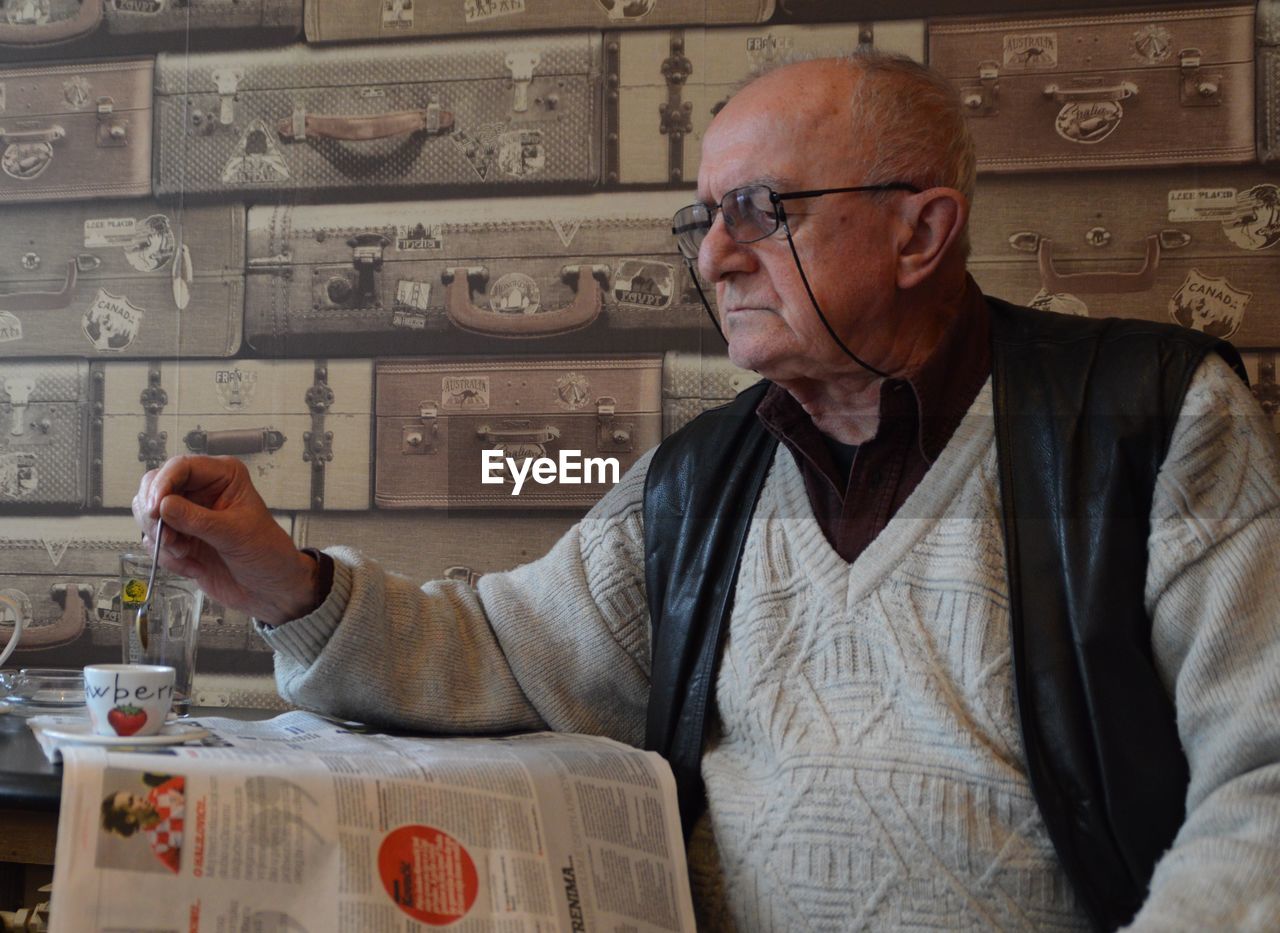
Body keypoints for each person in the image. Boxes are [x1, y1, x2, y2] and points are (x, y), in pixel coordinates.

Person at [132, 53, 1280, 930]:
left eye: (760, 214)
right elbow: (502, 650)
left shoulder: (1144, 416)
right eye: (703, 219)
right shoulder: (706, 475)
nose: (713, 259)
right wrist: (286, 582)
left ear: (919, 232)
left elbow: (1263, 776)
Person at [100, 773, 185, 874]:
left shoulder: (157, 793)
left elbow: (192, 780)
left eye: (133, 795)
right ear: (130, 819)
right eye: (131, 802)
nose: (139, 798)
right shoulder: (159, 845)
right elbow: (187, 872)